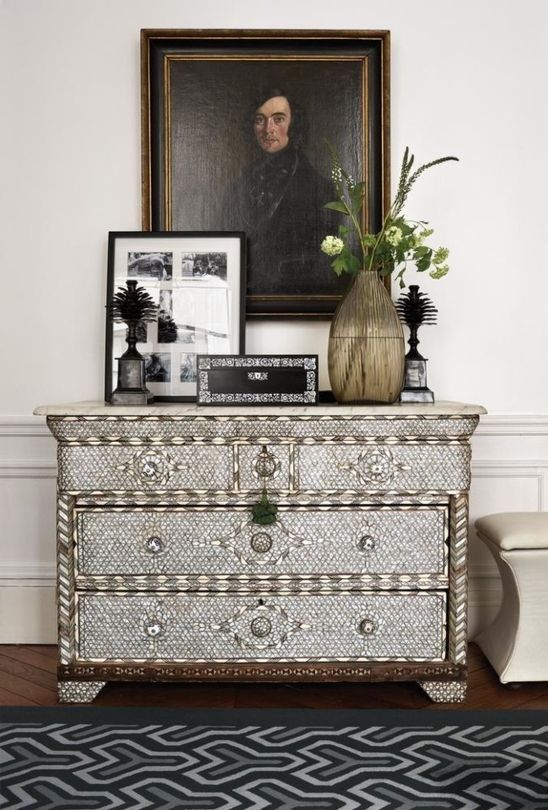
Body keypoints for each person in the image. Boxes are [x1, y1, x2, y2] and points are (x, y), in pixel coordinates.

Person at [226, 88, 340, 297]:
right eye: (260, 120)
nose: (268, 129)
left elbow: (321, 265)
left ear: (294, 126)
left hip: (293, 296)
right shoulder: (238, 185)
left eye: (278, 119)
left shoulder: (320, 190)